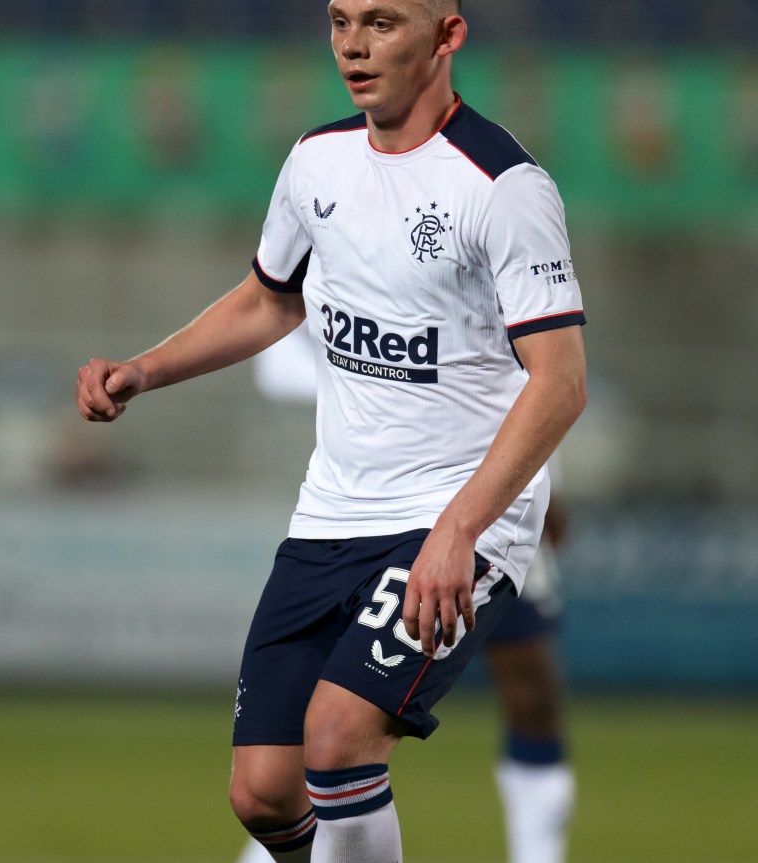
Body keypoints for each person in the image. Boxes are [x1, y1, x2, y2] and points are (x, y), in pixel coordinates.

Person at [76, 0, 587, 863]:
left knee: (338, 743)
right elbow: (272, 300)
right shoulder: (317, 162)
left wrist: (461, 530)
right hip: (333, 512)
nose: (353, 44)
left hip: (457, 516)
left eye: (382, 22)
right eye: (340, 21)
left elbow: (561, 383)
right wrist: (145, 369)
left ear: (447, 37)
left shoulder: (505, 188)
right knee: (263, 793)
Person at [240, 336, 576, 863]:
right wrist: (390, 382)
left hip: (486, 496)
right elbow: (275, 356)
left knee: (531, 687)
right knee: (322, 734)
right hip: (370, 499)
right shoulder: (320, 262)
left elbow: (543, 373)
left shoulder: (494, 262)